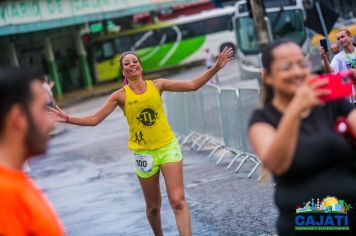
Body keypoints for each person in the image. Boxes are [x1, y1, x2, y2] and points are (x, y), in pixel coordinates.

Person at [49, 48, 234, 236]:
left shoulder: (158, 85)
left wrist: (216, 67)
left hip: (167, 147)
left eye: (134, 61)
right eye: (127, 63)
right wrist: (67, 118)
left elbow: (192, 85)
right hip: (144, 155)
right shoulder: (119, 96)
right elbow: (94, 119)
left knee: (178, 201)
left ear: (140, 66)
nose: (132, 64)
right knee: (153, 207)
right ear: (123, 71)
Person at [248, 39, 356, 235]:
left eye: (301, 64)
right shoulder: (263, 119)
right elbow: (276, 163)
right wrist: (296, 108)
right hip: (306, 221)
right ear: (268, 76)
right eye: (286, 67)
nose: (297, 72)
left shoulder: (330, 101)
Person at [0, 67, 65, 235]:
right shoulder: (5, 195)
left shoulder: (16, 182)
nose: (51, 124)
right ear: (19, 117)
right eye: (43, 109)